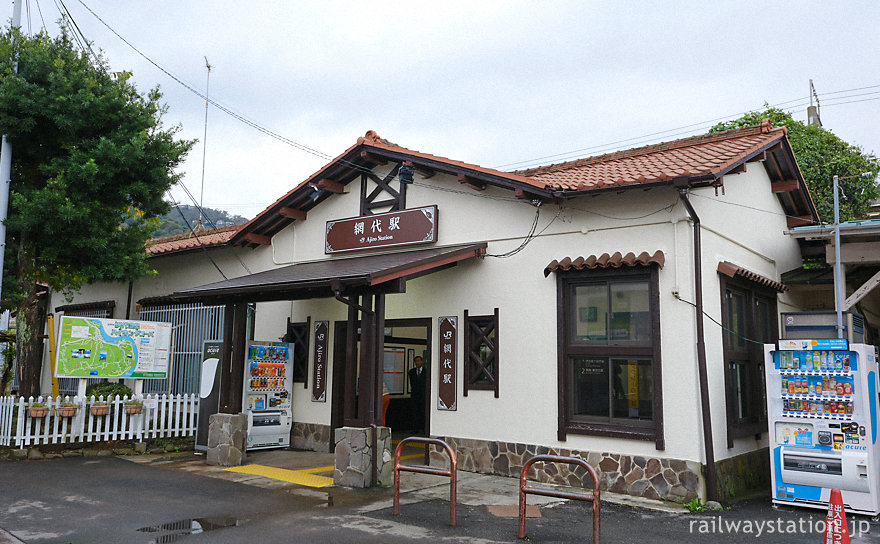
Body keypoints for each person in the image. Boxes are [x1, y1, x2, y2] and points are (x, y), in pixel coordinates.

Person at [408, 356, 426, 433]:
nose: (417, 362)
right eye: (416, 361)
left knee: (423, 412)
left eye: (419, 361)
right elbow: (412, 383)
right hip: (415, 395)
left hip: (423, 395)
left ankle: (424, 428)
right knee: (415, 412)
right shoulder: (412, 371)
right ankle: (415, 429)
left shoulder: (426, 371)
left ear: (422, 362)